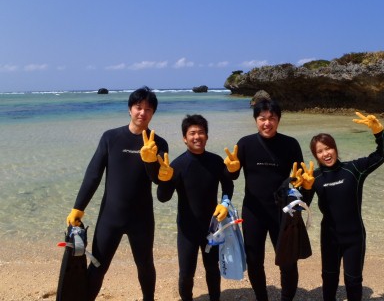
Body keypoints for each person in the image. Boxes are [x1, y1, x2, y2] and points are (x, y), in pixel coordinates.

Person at [66, 86, 168, 301]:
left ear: (153, 113)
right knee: (98, 266)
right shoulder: (111, 138)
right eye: (138, 107)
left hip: (141, 219)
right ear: (130, 109)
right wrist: (78, 207)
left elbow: (159, 180)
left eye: (148, 109)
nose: (142, 113)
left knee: (145, 265)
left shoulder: (159, 143)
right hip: (110, 218)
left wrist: (150, 162)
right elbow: (93, 174)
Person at [300, 111, 384, 301]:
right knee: (329, 278)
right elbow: (302, 207)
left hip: (354, 237)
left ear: (335, 148)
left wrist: (378, 132)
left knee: (353, 280)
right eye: (320, 151)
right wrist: (306, 189)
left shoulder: (354, 169)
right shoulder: (313, 177)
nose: (326, 153)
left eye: (328, 148)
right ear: (315, 155)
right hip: (330, 237)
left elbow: (382, 154)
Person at [223, 99, 305, 301]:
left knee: (288, 261)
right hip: (254, 211)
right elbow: (232, 176)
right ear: (255, 120)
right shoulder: (245, 143)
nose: (267, 123)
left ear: (278, 120)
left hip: (283, 212)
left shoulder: (290, 144)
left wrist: (303, 184)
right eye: (262, 118)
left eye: (272, 118)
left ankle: (286, 298)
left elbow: (300, 179)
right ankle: (262, 298)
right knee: (254, 260)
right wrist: (231, 170)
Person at [155, 114, 234, 301]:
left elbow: (228, 185)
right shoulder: (178, 165)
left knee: (212, 269)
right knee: (186, 273)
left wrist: (225, 202)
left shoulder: (216, 162)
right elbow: (162, 198)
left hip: (212, 228)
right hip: (187, 230)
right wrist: (164, 181)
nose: (197, 136)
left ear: (207, 136)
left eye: (201, 132)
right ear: (184, 138)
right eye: (192, 133)